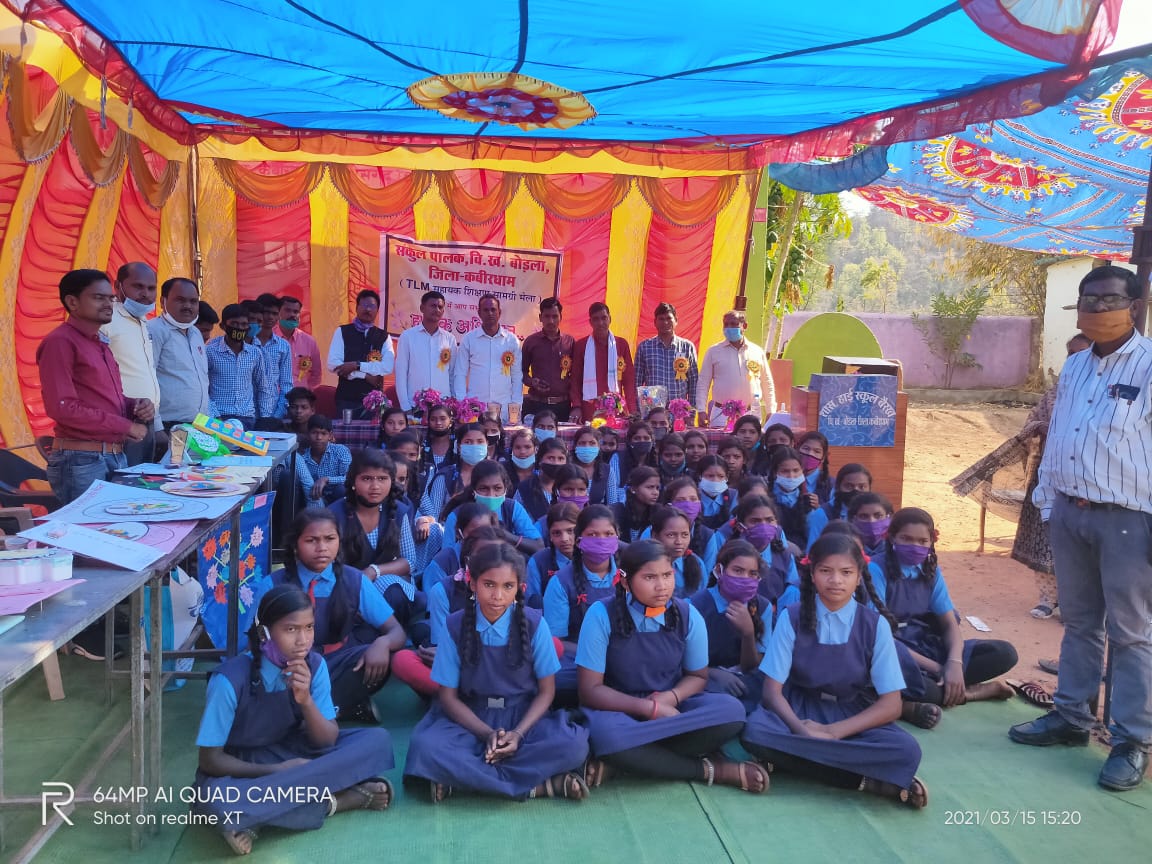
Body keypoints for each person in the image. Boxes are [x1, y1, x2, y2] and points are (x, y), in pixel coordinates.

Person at [1010, 266, 1152, 791]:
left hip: (1129, 519)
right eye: (1088, 300)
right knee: (1080, 622)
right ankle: (1071, 716)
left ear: (1134, 307)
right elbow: (1061, 435)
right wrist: (1050, 505)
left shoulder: (1149, 366)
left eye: (1108, 300)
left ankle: (1131, 741)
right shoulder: (1074, 366)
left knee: (1131, 632)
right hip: (1071, 512)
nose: (1096, 309)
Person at [191, 584, 394, 855]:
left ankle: (256, 817)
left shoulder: (315, 666)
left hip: (295, 751)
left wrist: (306, 700)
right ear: (264, 634)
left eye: (309, 627)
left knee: (377, 741)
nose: (303, 640)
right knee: (217, 802)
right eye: (290, 629)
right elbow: (210, 760)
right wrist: (276, 771)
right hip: (242, 768)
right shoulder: (229, 680)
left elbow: (326, 741)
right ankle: (341, 800)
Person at [741, 534, 927, 808]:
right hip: (798, 708)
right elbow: (772, 692)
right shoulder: (792, 617)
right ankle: (866, 781)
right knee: (756, 733)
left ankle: (789, 762)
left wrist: (833, 732)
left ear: (859, 576)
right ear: (812, 574)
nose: (836, 580)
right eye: (826, 571)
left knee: (906, 750)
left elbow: (891, 705)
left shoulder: (875, 625)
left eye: (846, 572)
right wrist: (801, 731)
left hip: (851, 712)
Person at [404, 542, 590, 802]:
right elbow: (448, 697)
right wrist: (486, 734)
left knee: (573, 745)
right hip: (470, 718)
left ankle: (462, 782)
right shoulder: (454, 626)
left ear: (520, 589)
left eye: (508, 586)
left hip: (523, 716)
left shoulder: (535, 625)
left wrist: (518, 735)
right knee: (425, 747)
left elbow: (547, 692)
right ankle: (538, 786)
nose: (498, 596)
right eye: (489, 584)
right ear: (472, 583)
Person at [576, 539, 766, 793]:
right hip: (618, 710)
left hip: (673, 706)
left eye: (667, 575)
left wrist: (670, 698)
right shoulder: (600, 614)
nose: (662, 586)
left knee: (731, 712)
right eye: (649, 577)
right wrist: (650, 708)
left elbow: (697, 676)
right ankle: (710, 770)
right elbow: (590, 690)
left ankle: (626, 762)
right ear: (625, 581)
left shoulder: (688, 614)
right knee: (607, 738)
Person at [872, 508, 1017, 716]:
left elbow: (949, 624)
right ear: (892, 537)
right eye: (906, 539)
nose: (915, 546)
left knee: (1005, 653)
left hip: (926, 645)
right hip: (892, 650)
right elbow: (879, 637)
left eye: (922, 541)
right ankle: (972, 693)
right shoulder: (876, 569)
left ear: (932, 541)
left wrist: (954, 663)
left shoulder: (930, 570)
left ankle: (949, 686)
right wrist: (939, 669)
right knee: (925, 690)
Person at [272, 508, 407, 723]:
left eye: (329, 539)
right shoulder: (274, 584)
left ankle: (315, 712)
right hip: (289, 666)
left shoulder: (355, 580)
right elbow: (254, 641)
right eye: (311, 540)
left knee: (381, 659)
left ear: (339, 541)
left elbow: (396, 631)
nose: (322, 548)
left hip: (336, 664)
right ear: (295, 545)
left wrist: (383, 643)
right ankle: (340, 708)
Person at [38, 270, 152, 504]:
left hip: (111, 454)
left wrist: (136, 406)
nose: (109, 304)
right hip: (82, 460)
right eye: (99, 298)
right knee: (92, 526)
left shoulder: (100, 344)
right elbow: (62, 407)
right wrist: (126, 426)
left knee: (117, 523)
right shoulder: (60, 342)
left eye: (111, 298)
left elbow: (106, 400)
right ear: (72, 302)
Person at [328, 450, 421, 635]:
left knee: (393, 590)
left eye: (382, 479)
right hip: (343, 585)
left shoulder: (399, 511)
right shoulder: (334, 515)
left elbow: (410, 561)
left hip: (384, 581)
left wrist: (373, 571)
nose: (375, 486)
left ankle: (391, 640)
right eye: (367, 479)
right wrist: (358, 582)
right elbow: (327, 566)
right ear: (353, 481)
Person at [543, 504, 622, 702]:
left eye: (608, 534)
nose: (601, 540)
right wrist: (598, 656)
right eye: (593, 535)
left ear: (617, 537)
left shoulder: (629, 574)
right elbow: (557, 641)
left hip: (625, 652)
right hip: (579, 657)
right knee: (553, 678)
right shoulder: (560, 582)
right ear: (579, 541)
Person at [690, 538, 773, 712]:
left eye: (752, 573)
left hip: (744, 682)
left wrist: (748, 633)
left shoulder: (763, 607)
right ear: (719, 571)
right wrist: (714, 674)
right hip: (704, 681)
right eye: (738, 571)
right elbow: (683, 662)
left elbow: (752, 667)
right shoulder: (695, 606)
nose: (745, 578)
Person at [102, 262, 162, 464]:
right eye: (138, 286)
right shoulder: (107, 320)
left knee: (141, 480)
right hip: (121, 422)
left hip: (146, 419)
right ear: (117, 286)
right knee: (123, 480)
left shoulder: (142, 321)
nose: (145, 294)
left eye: (151, 288)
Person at [439, 457, 543, 555]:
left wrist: (504, 535)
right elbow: (447, 557)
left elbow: (538, 546)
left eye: (497, 488)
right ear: (474, 490)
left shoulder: (512, 508)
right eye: (484, 489)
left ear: (505, 489)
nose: (491, 495)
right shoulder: (456, 516)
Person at [148, 277, 211, 430]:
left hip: (198, 424)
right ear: (162, 301)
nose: (187, 306)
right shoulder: (153, 330)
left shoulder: (196, 333)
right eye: (180, 300)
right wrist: (157, 427)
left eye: (193, 301)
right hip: (167, 425)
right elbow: (147, 379)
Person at [697, 309, 775, 426]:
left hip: (750, 413)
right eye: (726, 324)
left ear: (745, 326)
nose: (729, 328)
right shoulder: (713, 351)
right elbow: (703, 383)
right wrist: (701, 410)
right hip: (721, 415)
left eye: (734, 324)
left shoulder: (757, 351)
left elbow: (767, 383)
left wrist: (771, 410)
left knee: (750, 438)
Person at [454, 294, 523, 422]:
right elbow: (460, 374)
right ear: (479, 313)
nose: (490, 313)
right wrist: (462, 403)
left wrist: (516, 405)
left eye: (493, 309)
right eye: (485, 310)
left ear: (499, 312)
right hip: (474, 408)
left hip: (504, 408)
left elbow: (517, 376)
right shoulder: (469, 339)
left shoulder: (512, 340)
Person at [205, 303, 276, 428]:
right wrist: (215, 415)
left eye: (243, 324)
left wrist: (265, 419)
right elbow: (203, 388)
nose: (239, 328)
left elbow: (263, 388)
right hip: (219, 417)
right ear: (223, 326)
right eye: (234, 324)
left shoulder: (255, 353)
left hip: (247, 418)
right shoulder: (210, 351)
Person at [328, 289, 395, 419]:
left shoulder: (383, 336)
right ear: (357, 307)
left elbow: (387, 367)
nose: (368, 309)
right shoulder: (342, 331)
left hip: (374, 401)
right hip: (346, 399)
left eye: (372, 306)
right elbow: (333, 364)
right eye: (364, 305)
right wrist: (365, 375)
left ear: (377, 310)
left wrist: (356, 365)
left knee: (372, 432)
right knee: (345, 432)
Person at [569, 302, 638, 422]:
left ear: (610, 319)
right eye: (596, 319)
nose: (600, 323)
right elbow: (575, 379)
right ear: (590, 322)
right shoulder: (581, 346)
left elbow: (628, 380)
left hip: (616, 408)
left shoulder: (621, 345)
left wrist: (632, 410)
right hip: (589, 408)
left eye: (604, 318)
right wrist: (577, 406)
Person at [395, 290, 457, 411]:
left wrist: (453, 403)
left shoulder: (449, 339)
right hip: (415, 406)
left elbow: (452, 375)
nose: (437, 310)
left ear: (443, 311)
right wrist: (405, 406)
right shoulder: (408, 336)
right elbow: (401, 374)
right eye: (433, 306)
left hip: (442, 406)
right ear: (422, 308)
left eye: (440, 307)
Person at [634, 302, 700, 405]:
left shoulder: (687, 347)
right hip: (652, 409)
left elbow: (694, 382)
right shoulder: (644, 347)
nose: (665, 322)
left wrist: (692, 410)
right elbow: (636, 382)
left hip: (679, 410)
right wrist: (638, 409)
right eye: (661, 319)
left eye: (669, 318)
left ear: (676, 320)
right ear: (655, 322)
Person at [521, 297, 575, 421]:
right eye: (547, 316)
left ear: (561, 317)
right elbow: (521, 372)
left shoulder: (569, 342)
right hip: (536, 405)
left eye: (555, 316)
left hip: (563, 406)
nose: (551, 321)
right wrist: (532, 382)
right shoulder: (531, 341)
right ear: (540, 317)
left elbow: (576, 374)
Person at [804, 463, 873, 551]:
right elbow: (812, 552)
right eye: (849, 486)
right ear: (837, 487)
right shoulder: (822, 514)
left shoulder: (875, 513)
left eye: (862, 487)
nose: (856, 490)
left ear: (869, 488)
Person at [252, 293, 294, 430]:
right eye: (266, 312)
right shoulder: (247, 342)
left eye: (274, 313)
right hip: (246, 411)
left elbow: (286, 384)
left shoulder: (283, 346)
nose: (270, 317)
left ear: (278, 316)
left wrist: (277, 415)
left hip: (272, 411)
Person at [526, 502, 579, 606]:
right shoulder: (538, 561)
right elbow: (531, 603)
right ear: (550, 535)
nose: (564, 539)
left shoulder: (593, 560)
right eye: (557, 533)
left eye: (570, 531)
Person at [295, 415, 353, 506]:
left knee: (341, 489)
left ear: (330, 435)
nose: (319, 437)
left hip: (336, 497)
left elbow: (349, 478)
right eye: (314, 433)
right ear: (308, 434)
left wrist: (326, 479)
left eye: (323, 433)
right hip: (312, 497)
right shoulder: (302, 457)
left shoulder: (341, 451)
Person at [278, 293, 323, 390]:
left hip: (299, 396)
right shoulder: (268, 338)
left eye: (296, 312)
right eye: (287, 310)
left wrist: (306, 391)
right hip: (274, 396)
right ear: (278, 313)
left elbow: (316, 374)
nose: (292, 315)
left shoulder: (309, 342)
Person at [612, 466, 661, 543]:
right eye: (650, 487)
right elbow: (612, 539)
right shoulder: (617, 511)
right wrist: (631, 548)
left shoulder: (657, 511)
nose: (655, 492)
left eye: (657, 488)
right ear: (633, 489)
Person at [570, 425, 609, 506]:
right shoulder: (567, 470)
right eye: (582, 443)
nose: (587, 447)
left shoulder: (607, 470)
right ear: (575, 446)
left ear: (598, 446)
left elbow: (612, 503)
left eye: (592, 443)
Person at [697, 455, 735, 530]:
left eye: (721, 476)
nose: (715, 480)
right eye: (710, 476)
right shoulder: (693, 497)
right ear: (700, 476)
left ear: (727, 477)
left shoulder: (733, 496)